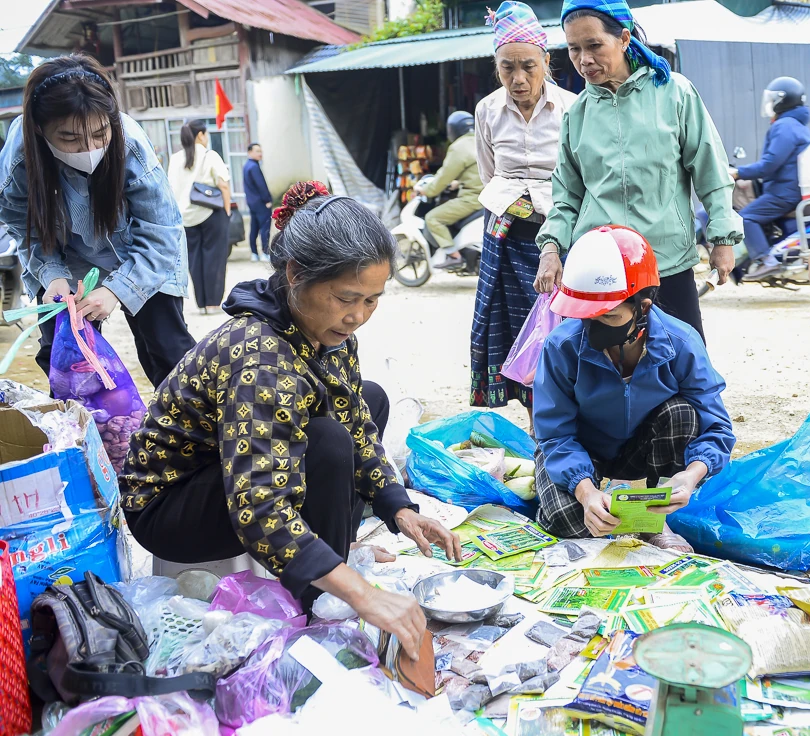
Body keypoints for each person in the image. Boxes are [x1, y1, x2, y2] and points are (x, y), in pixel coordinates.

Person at [120, 180, 461, 655]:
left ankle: (330, 558)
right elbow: (259, 507)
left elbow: (358, 419)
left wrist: (398, 506)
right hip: (168, 507)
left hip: (233, 470)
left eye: (372, 299)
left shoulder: (326, 332)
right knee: (326, 442)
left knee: (369, 400)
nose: (359, 316)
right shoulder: (260, 357)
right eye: (347, 298)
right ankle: (316, 605)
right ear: (297, 273)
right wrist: (364, 596)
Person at [534, 0, 742, 340]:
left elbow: (710, 171)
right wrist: (551, 249)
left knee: (685, 365)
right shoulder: (578, 114)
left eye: (594, 45)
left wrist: (722, 238)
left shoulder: (674, 92)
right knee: (607, 371)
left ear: (624, 39)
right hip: (600, 269)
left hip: (666, 261)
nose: (584, 60)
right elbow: (567, 195)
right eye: (574, 49)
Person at [533, 225, 734, 553]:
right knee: (569, 521)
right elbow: (554, 434)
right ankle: (593, 498)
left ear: (642, 307)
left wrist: (691, 475)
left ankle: (653, 521)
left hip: (641, 452)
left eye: (609, 316)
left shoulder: (681, 342)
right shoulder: (562, 346)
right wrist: (585, 493)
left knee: (681, 413)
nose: (594, 328)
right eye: (587, 316)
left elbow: (717, 429)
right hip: (583, 448)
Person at [0, 54, 194, 389]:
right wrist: (51, 275)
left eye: (100, 133)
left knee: (167, 352)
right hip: (63, 257)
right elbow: (22, 224)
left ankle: (191, 436)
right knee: (66, 357)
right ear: (38, 129)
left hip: (141, 254)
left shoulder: (130, 144)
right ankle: (85, 433)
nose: (89, 149)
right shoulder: (21, 157)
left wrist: (119, 289)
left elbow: (161, 232)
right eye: (70, 139)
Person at [472, 1, 577, 414]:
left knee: (561, 324)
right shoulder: (486, 111)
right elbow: (489, 175)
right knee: (515, 326)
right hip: (506, 235)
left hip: (558, 231)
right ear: (496, 66)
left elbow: (579, 177)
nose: (518, 79)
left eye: (528, 67)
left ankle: (561, 413)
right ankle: (532, 412)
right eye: (507, 68)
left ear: (546, 61)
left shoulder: (572, 107)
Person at [732, 76, 810, 282]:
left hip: (784, 192)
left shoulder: (785, 125)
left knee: (746, 217)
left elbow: (770, 164)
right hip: (791, 189)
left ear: (783, 100)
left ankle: (765, 260)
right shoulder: (796, 125)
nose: (769, 104)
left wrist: (738, 172)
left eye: (773, 99)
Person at [169, 119, 232, 313]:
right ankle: (213, 303)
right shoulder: (210, 155)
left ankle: (202, 304)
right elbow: (223, 184)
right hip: (211, 212)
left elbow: (170, 188)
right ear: (200, 135)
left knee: (194, 260)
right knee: (215, 257)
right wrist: (228, 211)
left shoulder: (175, 158)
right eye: (206, 134)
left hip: (185, 217)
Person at [417, 111, 483, 268]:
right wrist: (458, 182)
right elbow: (475, 171)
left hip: (472, 199)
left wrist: (427, 190)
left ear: (452, 129)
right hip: (487, 196)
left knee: (433, 218)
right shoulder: (482, 140)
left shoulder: (458, 147)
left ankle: (453, 255)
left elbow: (443, 177)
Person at [242, 142, 272, 262]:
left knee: (254, 227)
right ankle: (265, 253)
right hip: (260, 202)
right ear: (250, 152)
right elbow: (261, 185)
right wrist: (267, 200)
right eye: (257, 151)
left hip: (251, 202)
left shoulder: (247, 166)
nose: (260, 153)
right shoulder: (254, 167)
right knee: (265, 227)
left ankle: (254, 253)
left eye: (261, 151)